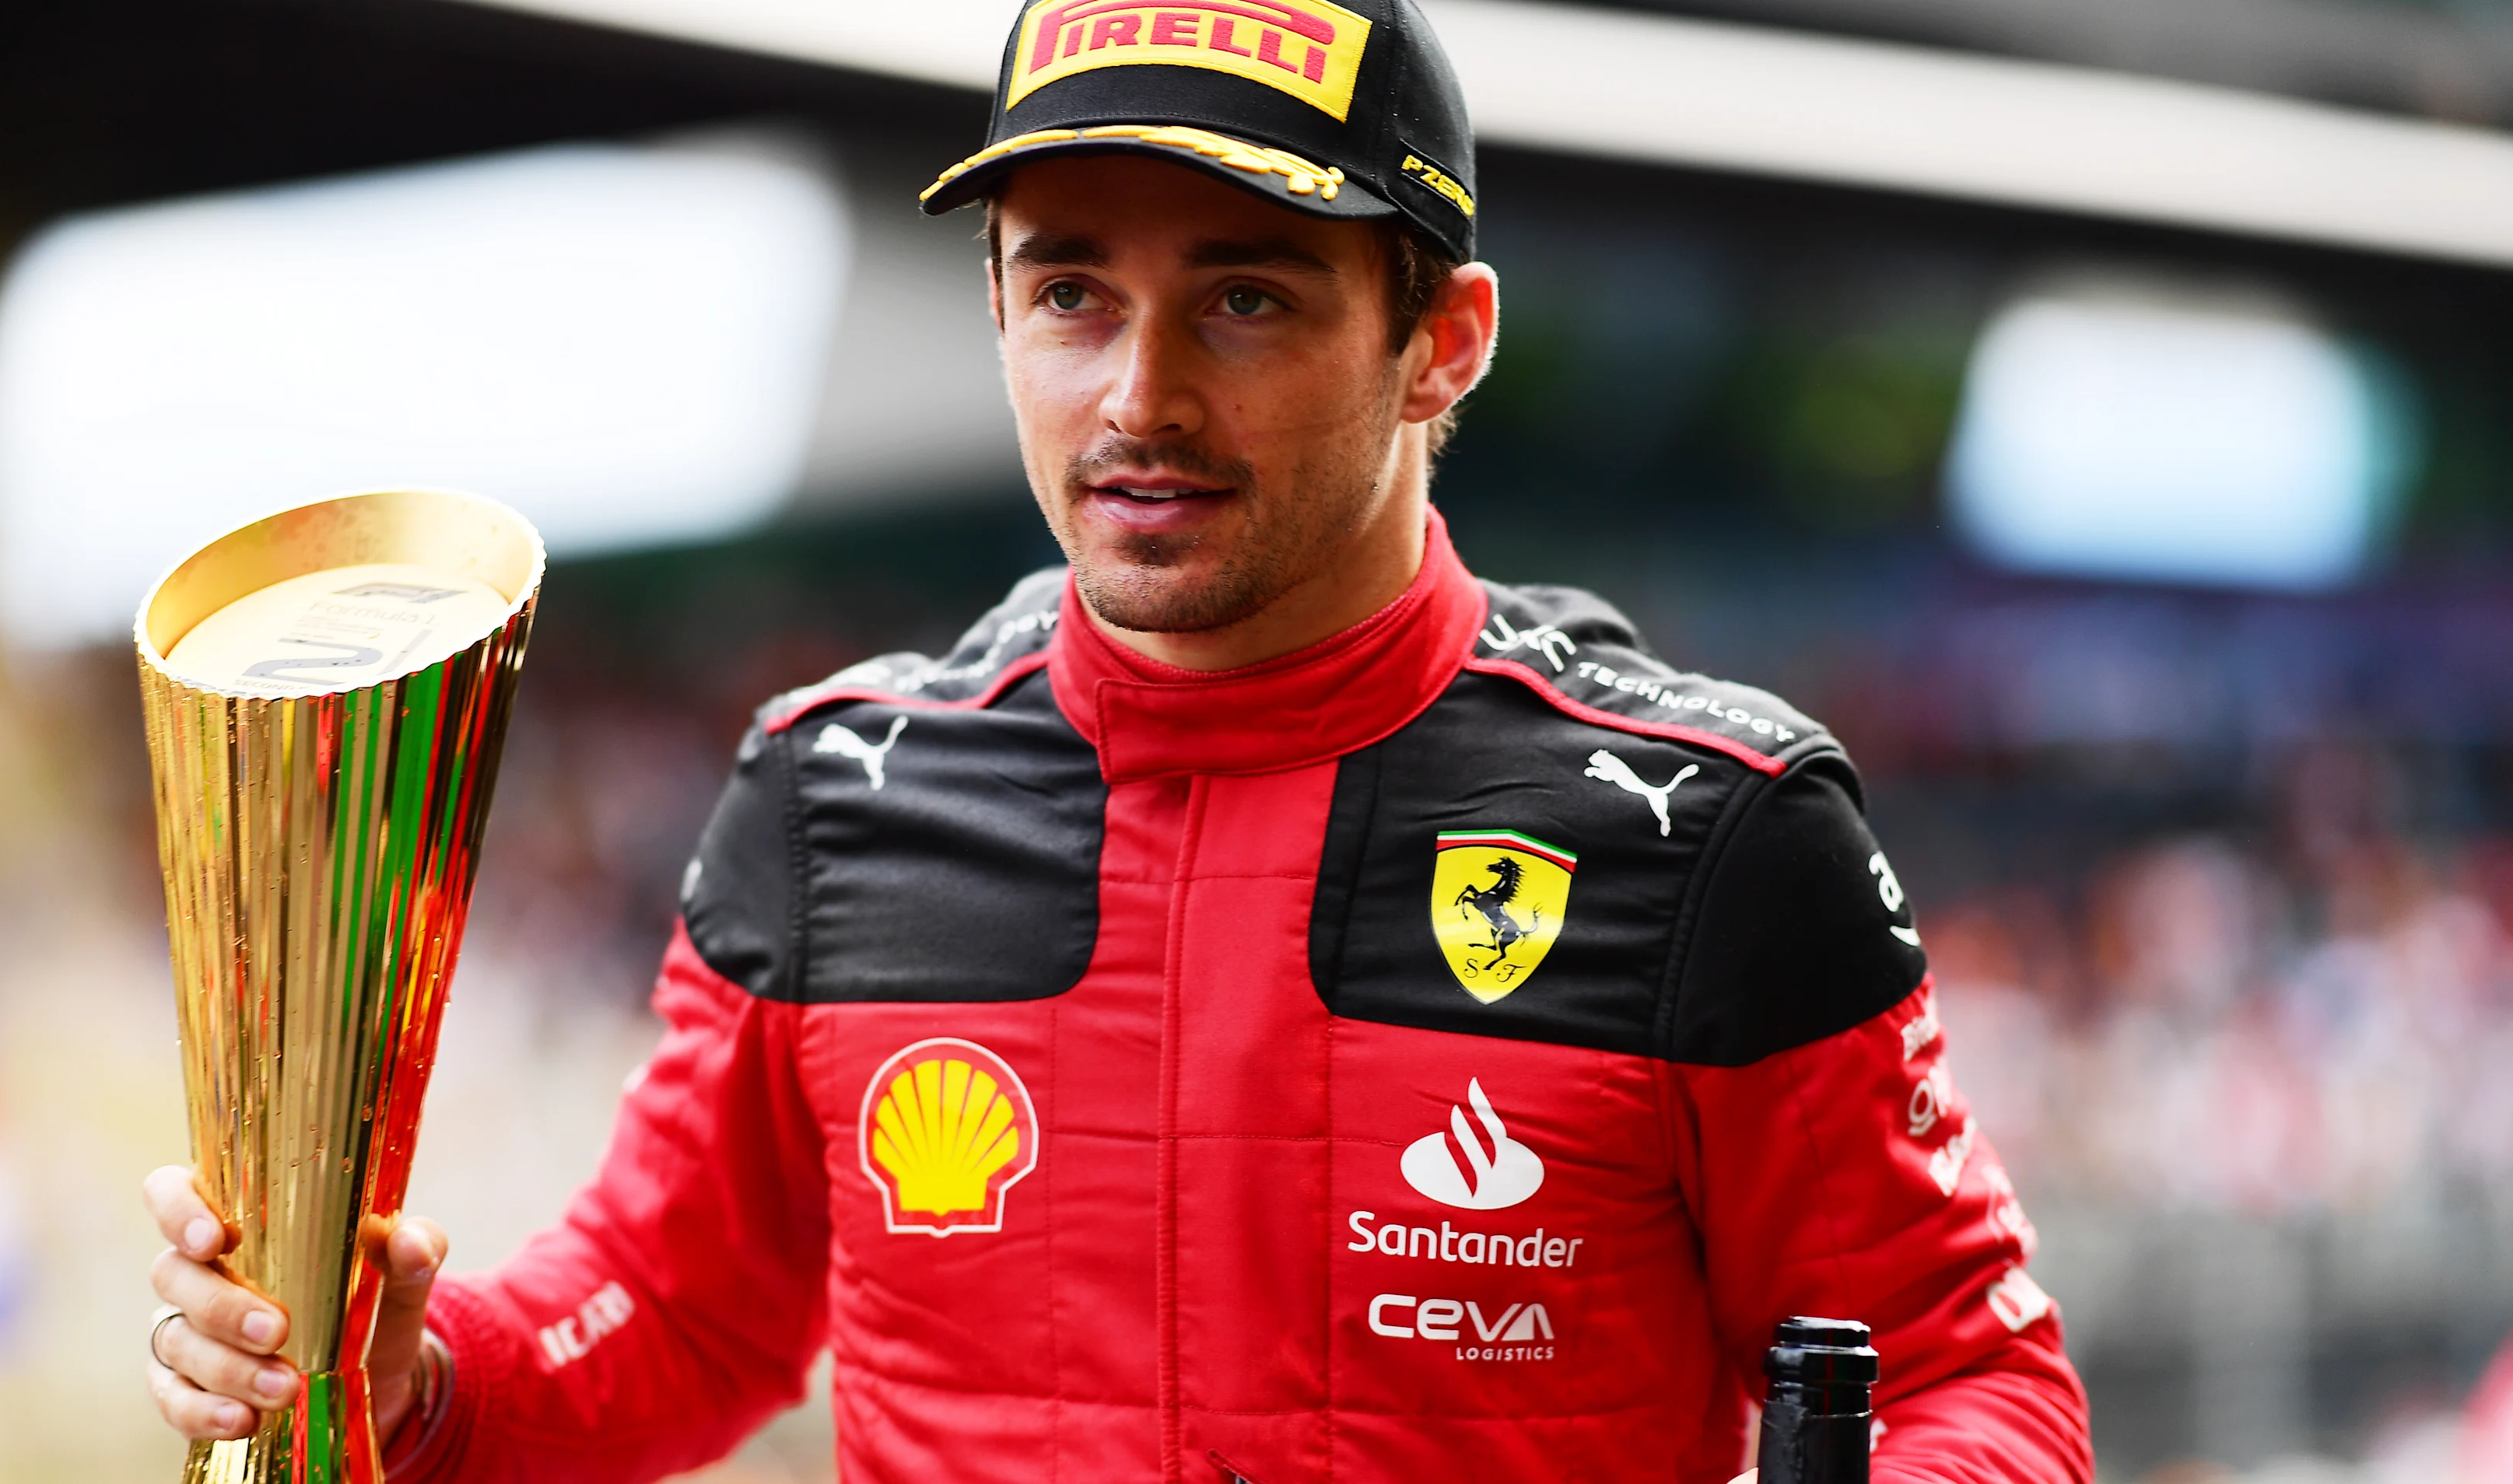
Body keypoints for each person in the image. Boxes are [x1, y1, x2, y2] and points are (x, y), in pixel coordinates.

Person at [143, 1, 2092, 1478]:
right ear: (997, 308)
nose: (1139, 395)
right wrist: (412, 1376)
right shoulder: (832, 795)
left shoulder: (1714, 832)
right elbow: (668, 1312)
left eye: (1244, 297)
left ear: (1442, 342)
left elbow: (1969, 1381)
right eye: (1071, 291)